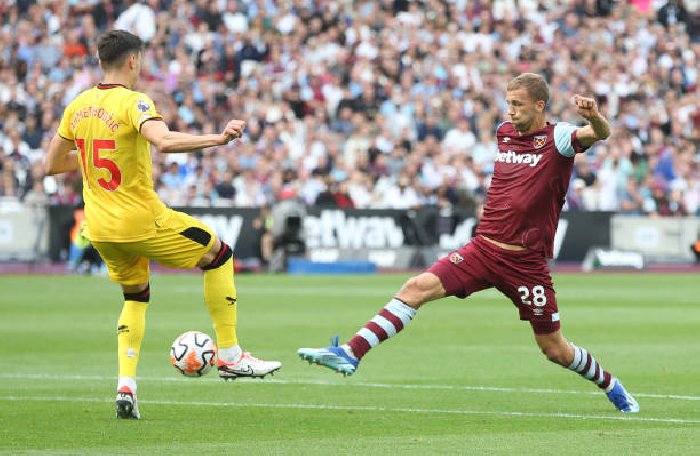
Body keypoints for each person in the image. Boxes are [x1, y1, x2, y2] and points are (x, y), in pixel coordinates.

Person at [298, 73, 639, 413]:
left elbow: (599, 133)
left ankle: (611, 384)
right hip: (483, 249)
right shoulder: (504, 134)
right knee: (416, 287)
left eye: (517, 105)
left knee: (555, 350)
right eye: (508, 104)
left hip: (526, 264)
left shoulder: (559, 137)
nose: (510, 112)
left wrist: (593, 116)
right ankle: (351, 352)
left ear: (539, 105)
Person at [45, 30, 281, 420]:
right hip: (140, 220)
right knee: (218, 254)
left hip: (100, 228)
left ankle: (126, 386)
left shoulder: (78, 106)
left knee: (135, 296)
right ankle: (230, 355)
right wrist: (219, 139)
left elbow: (52, 165)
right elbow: (164, 141)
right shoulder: (134, 101)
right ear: (133, 60)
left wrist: (94, 158)